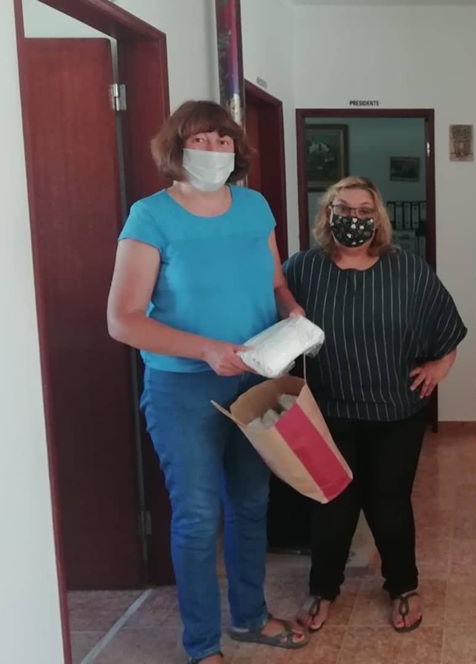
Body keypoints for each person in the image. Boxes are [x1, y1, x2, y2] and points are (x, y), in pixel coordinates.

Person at [106, 100, 307, 664]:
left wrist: (292, 313)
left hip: (255, 381)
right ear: (176, 147)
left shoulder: (255, 206)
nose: (214, 150)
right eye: (200, 139)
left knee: (251, 503)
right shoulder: (150, 217)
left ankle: (250, 617)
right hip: (183, 389)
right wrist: (205, 349)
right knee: (196, 518)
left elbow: (274, 284)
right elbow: (123, 320)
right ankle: (201, 646)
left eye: (223, 140)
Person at [285, 176, 467, 635]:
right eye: (343, 208)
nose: (354, 218)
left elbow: (447, 324)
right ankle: (323, 589)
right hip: (329, 411)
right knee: (332, 504)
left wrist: (440, 366)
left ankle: (403, 586)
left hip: (395, 410)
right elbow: (275, 319)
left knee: (389, 504)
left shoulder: (407, 269)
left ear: (378, 217)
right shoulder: (303, 269)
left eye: (365, 211)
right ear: (328, 214)